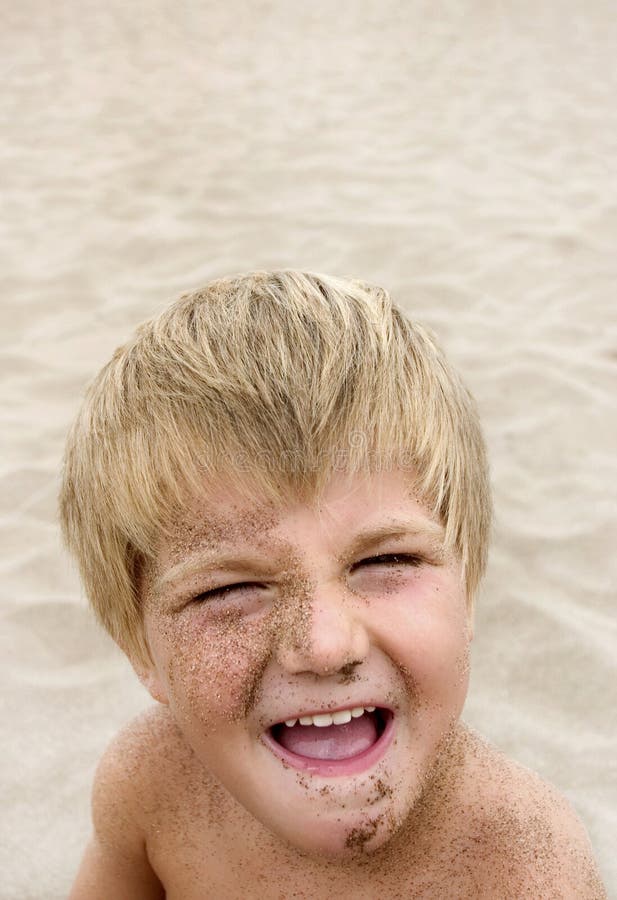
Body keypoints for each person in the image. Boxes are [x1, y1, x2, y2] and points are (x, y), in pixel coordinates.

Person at [60, 270, 605, 898]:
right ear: (137, 647)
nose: (325, 645)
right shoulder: (153, 785)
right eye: (226, 591)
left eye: (383, 562)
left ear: (469, 591)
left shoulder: (523, 868)